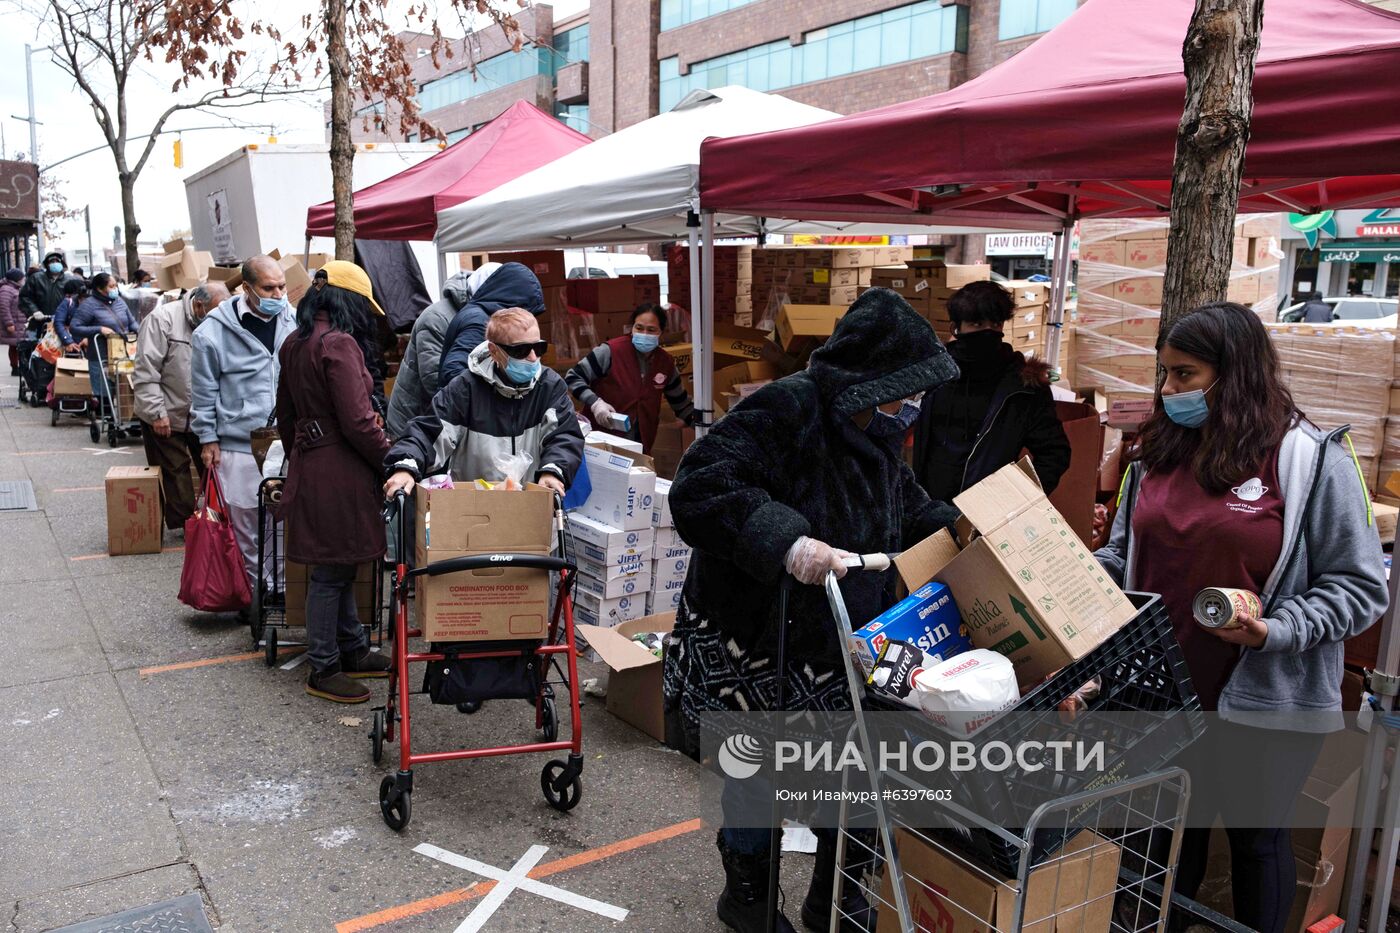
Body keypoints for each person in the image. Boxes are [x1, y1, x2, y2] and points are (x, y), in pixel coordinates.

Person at [662, 289, 961, 933]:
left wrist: (955, 528)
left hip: (847, 639)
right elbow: (701, 486)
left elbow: (903, 502)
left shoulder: (876, 429)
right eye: (899, 394)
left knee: (852, 781)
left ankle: (837, 900)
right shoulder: (789, 406)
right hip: (759, 642)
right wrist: (784, 537)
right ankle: (747, 897)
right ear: (863, 381)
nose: (909, 409)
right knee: (758, 777)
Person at [1094, 302, 1387, 933]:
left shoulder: (1314, 460)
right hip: (1160, 693)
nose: (1169, 390)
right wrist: (1069, 574)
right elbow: (1125, 554)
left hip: (1265, 699)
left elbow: (1361, 586)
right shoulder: (1155, 455)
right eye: (1164, 374)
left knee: (1257, 844)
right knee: (1161, 847)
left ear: (1236, 375)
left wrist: (1274, 630)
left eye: (1186, 375)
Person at [276, 261, 392, 703]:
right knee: (332, 570)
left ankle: (351, 649)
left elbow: (285, 416)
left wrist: (305, 454)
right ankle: (325, 665)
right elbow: (359, 421)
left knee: (339, 565)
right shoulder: (339, 344)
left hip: (313, 461)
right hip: (341, 466)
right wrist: (392, 459)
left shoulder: (295, 341)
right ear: (349, 301)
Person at [383, 307, 583, 499]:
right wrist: (405, 465)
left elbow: (564, 436)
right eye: (521, 350)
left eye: (539, 347)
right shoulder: (465, 389)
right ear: (494, 351)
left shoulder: (550, 386)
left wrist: (554, 470)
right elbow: (428, 433)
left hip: (534, 508)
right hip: (475, 511)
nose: (532, 357)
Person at [191, 256, 297, 604]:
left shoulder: (292, 319)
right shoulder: (212, 332)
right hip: (237, 443)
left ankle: (281, 588)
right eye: (269, 288)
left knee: (281, 517)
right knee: (246, 522)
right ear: (247, 288)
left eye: (282, 285)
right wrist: (208, 438)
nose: (279, 293)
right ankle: (257, 589)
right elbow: (204, 390)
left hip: (284, 439)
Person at [911, 280, 1070, 502]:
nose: (987, 332)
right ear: (956, 327)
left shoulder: (1024, 388)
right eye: (977, 324)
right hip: (927, 512)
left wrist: (1015, 502)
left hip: (986, 518)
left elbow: (1054, 453)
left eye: (995, 324)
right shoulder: (932, 378)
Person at [133, 282, 229, 532]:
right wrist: (157, 413)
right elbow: (146, 370)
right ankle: (187, 525)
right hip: (167, 411)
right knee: (176, 472)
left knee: (214, 469)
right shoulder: (162, 319)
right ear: (199, 305)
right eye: (216, 311)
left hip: (201, 414)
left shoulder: (218, 323)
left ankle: (214, 522)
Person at [385, 262, 501, 437]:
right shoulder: (437, 318)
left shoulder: (481, 315)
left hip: (445, 421)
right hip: (415, 424)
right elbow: (434, 378)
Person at [565, 303, 696, 453]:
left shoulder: (665, 363)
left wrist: (706, 425)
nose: (644, 333)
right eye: (639, 328)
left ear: (661, 332)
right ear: (632, 327)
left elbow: (681, 404)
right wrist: (595, 403)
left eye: (651, 330)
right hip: (601, 442)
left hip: (640, 444)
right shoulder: (611, 351)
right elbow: (572, 378)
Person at [437, 262, 545, 388]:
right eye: (520, 349)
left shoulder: (478, 313)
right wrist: (490, 397)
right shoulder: (479, 322)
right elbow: (454, 372)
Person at [69, 272, 138, 399]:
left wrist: (140, 332)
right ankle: (106, 415)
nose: (115, 289)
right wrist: (99, 329)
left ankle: (123, 417)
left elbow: (131, 321)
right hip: (101, 356)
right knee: (105, 394)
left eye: (115, 286)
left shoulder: (119, 301)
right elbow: (75, 327)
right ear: (100, 289)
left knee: (126, 390)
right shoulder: (88, 305)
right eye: (111, 286)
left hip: (124, 353)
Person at [19, 250, 73, 320]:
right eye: (52, 262)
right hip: (41, 320)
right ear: (47, 264)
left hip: (63, 320)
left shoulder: (69, 280)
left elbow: (76, 299)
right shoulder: (36, 278)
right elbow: (24, 296)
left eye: (57, 261)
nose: (55, 263)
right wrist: (34, 311)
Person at [53, 279, 87, 353]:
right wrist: (68, 341)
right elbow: (58, 322)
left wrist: (88, 338)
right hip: (70, 345)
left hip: (89, 346)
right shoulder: (68, 303)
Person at [1, 269, 24, 376]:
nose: (23, 280)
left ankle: (18, 367)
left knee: (17, 346)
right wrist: (9, 323)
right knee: (14, 346)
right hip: (13, 323)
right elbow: (3, 308)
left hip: (18, 322)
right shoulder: (6, 290)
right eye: (22, 278)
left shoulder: (14, 288)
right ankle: (15, 368)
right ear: (16, 279)